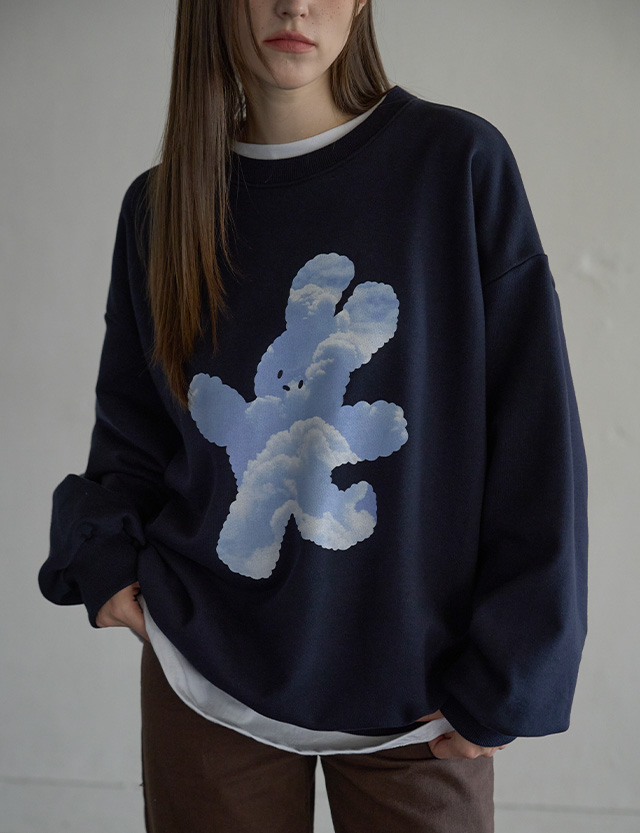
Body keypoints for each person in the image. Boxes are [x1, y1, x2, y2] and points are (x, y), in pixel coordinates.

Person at [38, 1, 589, 831]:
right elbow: (133, 427)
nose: (293, 4)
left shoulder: (456, 164)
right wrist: (105, 556)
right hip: (207, 674)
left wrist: (513, 669)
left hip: (422, 690)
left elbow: (535, 438)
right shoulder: (159, 207)